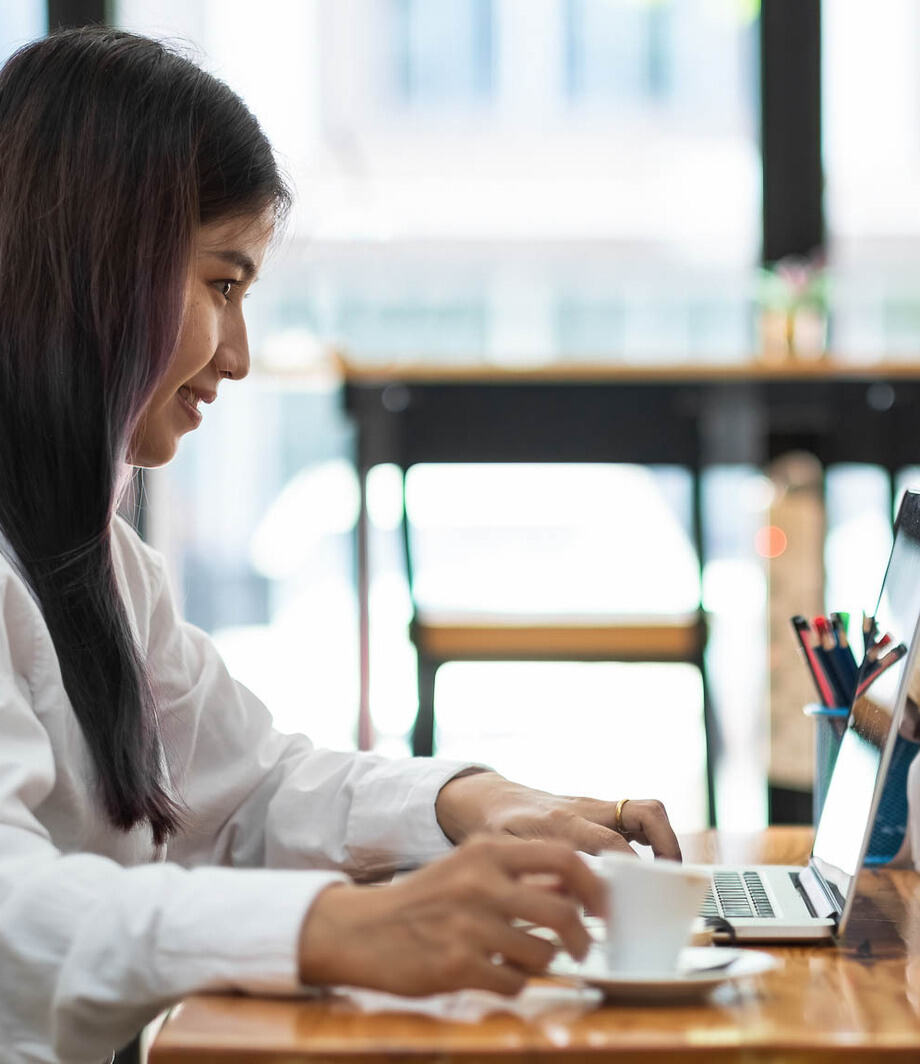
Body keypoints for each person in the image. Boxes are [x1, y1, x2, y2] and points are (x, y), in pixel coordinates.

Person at [0, 28, 682, 1063]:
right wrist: (338, 928)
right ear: (101, 262)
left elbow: (249, 791)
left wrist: (474, 804)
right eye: (222, 284)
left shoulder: (100, 561)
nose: (235, 356)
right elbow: (15, 904)